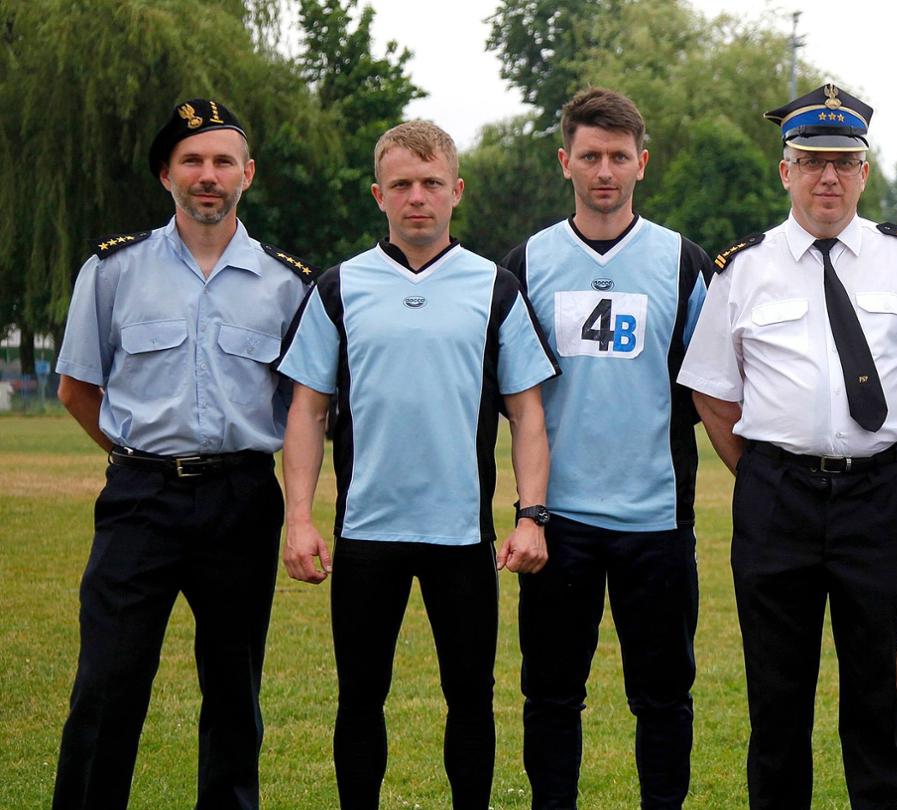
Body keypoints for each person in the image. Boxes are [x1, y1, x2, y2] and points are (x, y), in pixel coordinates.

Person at [276, 120, 559, 809]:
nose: (417, 197)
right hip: (366, 531)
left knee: (470, 698)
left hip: (462, 537)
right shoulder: (340, 288)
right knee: (359, 697)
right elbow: (308, 411)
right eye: (402, 184)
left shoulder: (495, 288)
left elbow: (526, 414)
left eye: (432, 183)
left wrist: (530, 517)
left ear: (456, 190)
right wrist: (298, 519)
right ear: (379, 194)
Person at [677, 83, 897, 810]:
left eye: (843, 162)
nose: (828, 177)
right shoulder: (743, 270)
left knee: (881, 693)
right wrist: (770, 468)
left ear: (865, 170)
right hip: (777, 502)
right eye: (811, 161)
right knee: (776, 698)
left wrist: (874, 447)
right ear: (785, 171)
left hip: (878, 501)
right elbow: (712, 391)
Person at [51, 98, 313, 810]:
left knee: (234, 689)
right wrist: (136, 455)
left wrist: (298, 513)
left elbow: (301, 411)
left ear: (247, 175)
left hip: (241, 500)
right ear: (166, 173)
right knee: (108, 682)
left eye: (223, 161)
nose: (208, 175)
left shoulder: (288, 285)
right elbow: (78, 388)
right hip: (141, 501)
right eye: (192, 161)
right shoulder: (112, 272)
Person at [500, 87, 711, 808]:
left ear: (642, 163)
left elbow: (706, 388)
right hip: (558, 524)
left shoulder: (683, 264)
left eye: (619, 156)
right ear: (565, 162)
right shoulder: (526, 264)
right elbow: (510, 395)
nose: (604, 171)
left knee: (663, 698)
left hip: (655, 519)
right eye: (589, 156)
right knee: (552, 695)